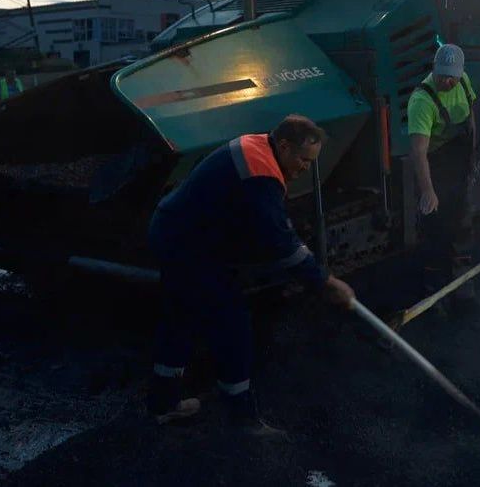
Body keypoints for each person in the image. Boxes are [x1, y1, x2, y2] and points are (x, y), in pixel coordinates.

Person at [147, 115, 355, 435]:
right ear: (283, 146)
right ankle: (242, 419)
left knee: (180, 318)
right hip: (188, 246)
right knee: (234, 326)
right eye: (303, 159)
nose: (306, 168)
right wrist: (325, 282)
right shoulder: (261, 173)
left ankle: (163, 406)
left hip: (174, 229)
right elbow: (281, 243)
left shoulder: (257, 144)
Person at [407, 44, 480, 311]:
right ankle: (434, 297)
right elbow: (418, 153)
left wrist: (472, 158)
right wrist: (428, 192)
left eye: (452, 76)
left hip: (459, 164)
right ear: (434, 70)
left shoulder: (463, 81)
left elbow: (471, 114)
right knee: (434, 231)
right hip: (433, 167)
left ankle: (464, 291)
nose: (446, 81)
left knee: (462, 226)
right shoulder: (422, 101)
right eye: (442, 75)